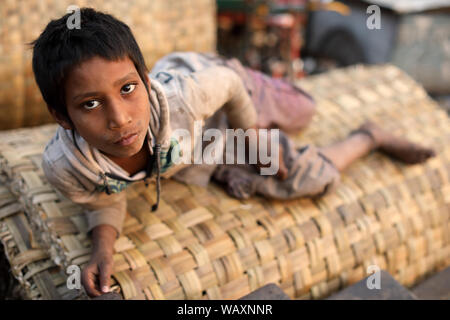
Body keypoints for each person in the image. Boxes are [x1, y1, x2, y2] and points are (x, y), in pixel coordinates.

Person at [31, 8, 435, 297]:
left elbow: (224, 84)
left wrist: (255, 138)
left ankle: (341, 125)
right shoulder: (65, 169)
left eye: (127, 88)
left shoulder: (185, 98)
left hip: (220, 85)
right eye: (90, 104)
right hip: (204, 144)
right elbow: (107, 192)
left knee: (302, 110)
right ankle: (371, 136)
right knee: (303, 177)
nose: (119, 119)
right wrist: (103, 246)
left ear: (145, 78)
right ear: (62, 116)